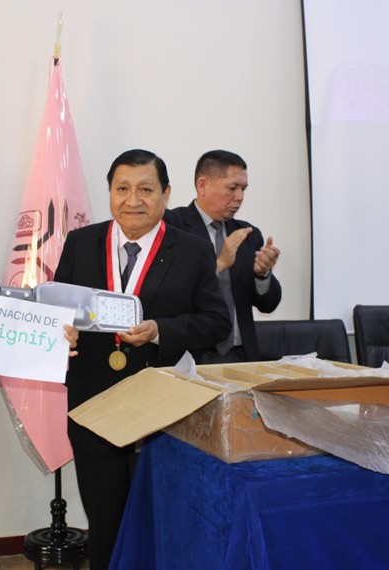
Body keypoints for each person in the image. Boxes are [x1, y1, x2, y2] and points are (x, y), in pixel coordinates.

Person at [54, 148, 231, 570]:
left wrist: (161, 330)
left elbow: (216, 323)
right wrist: (60, 331)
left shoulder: (191, 250)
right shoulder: (81, 243)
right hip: (93, 407)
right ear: (110, 193)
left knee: (163, 522)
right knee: (104, 524)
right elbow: (56, 311)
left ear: (166, 194)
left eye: (146, 189)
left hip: (162, 415)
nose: (133, 200)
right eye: (122, 189)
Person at [165, 149, 282, 363]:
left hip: (241, 355)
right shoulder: (172, 227)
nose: (240, 197)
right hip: (189, 356)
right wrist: (219, 264)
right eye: (232, 188)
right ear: (203, 186)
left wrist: (262, 275)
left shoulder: (247, 233)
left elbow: (268, 305)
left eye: (243, 189)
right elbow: (169, 294)